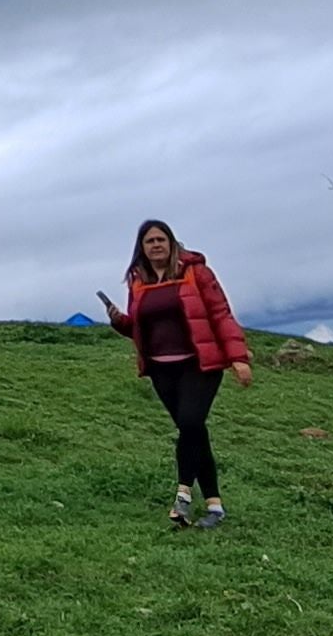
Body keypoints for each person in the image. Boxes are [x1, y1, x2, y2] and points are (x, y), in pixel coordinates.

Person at [99, 219, 255, 528]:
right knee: (193, 432)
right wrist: (120, 321)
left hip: (199, 364)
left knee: (190, 422)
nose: (156, 245)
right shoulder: (138, 281)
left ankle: (183, 496)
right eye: (149, 241)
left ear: (171, 243)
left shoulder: (196, 273)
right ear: (141, 249)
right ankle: (214, 507)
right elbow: (140, 328)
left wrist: (238, 358)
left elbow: (220, 313)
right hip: (161, 368)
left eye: (161, 239)